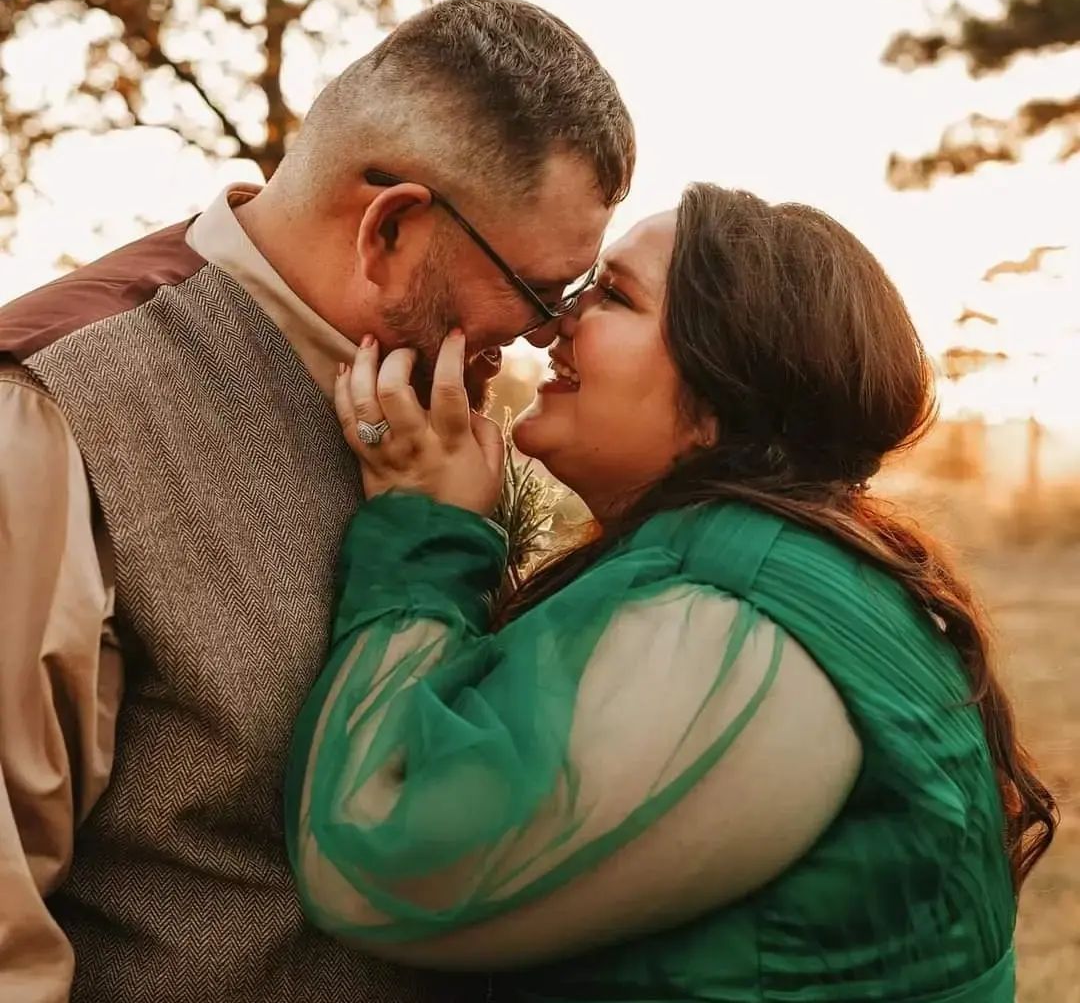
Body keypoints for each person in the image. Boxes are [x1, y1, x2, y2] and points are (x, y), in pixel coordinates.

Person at [0, 0, 634, 1002]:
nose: (552, 332)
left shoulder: (450, 408)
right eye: (542, 289)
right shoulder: (52, 407)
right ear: (389, 229)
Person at [288, 183, 1057, 1002]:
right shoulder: (735, 564)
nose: (553, 326)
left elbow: (373, 861)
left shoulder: (738, 621)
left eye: (613, 296)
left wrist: (424, 534)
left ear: (722, 402)